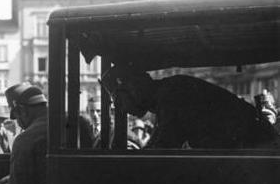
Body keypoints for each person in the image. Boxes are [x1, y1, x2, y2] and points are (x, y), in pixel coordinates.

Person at [100, 65, 276, 149]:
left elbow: (162, 147)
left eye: (119, 101)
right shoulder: (169, 91)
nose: (122, 109)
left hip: (257, 154)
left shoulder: (171, 95)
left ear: (132, 88)